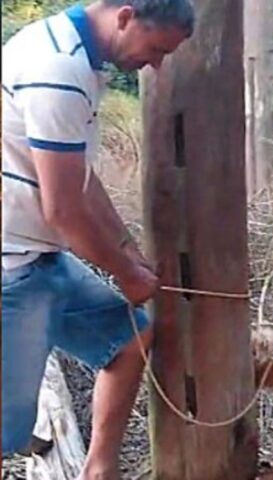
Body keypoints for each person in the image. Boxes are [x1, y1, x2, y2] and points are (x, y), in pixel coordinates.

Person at [1, 0, 195, 478]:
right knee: (5, 429)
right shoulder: (58, 68)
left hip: (40, 256)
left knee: (129, 338)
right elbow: (63, 208)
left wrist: (127, 250)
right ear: (125, 16)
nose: (155, 64)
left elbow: (80, 181)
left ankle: (99, 470)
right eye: (155, 48)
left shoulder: (76, 58)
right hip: (12, 264)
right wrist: (126, 273)